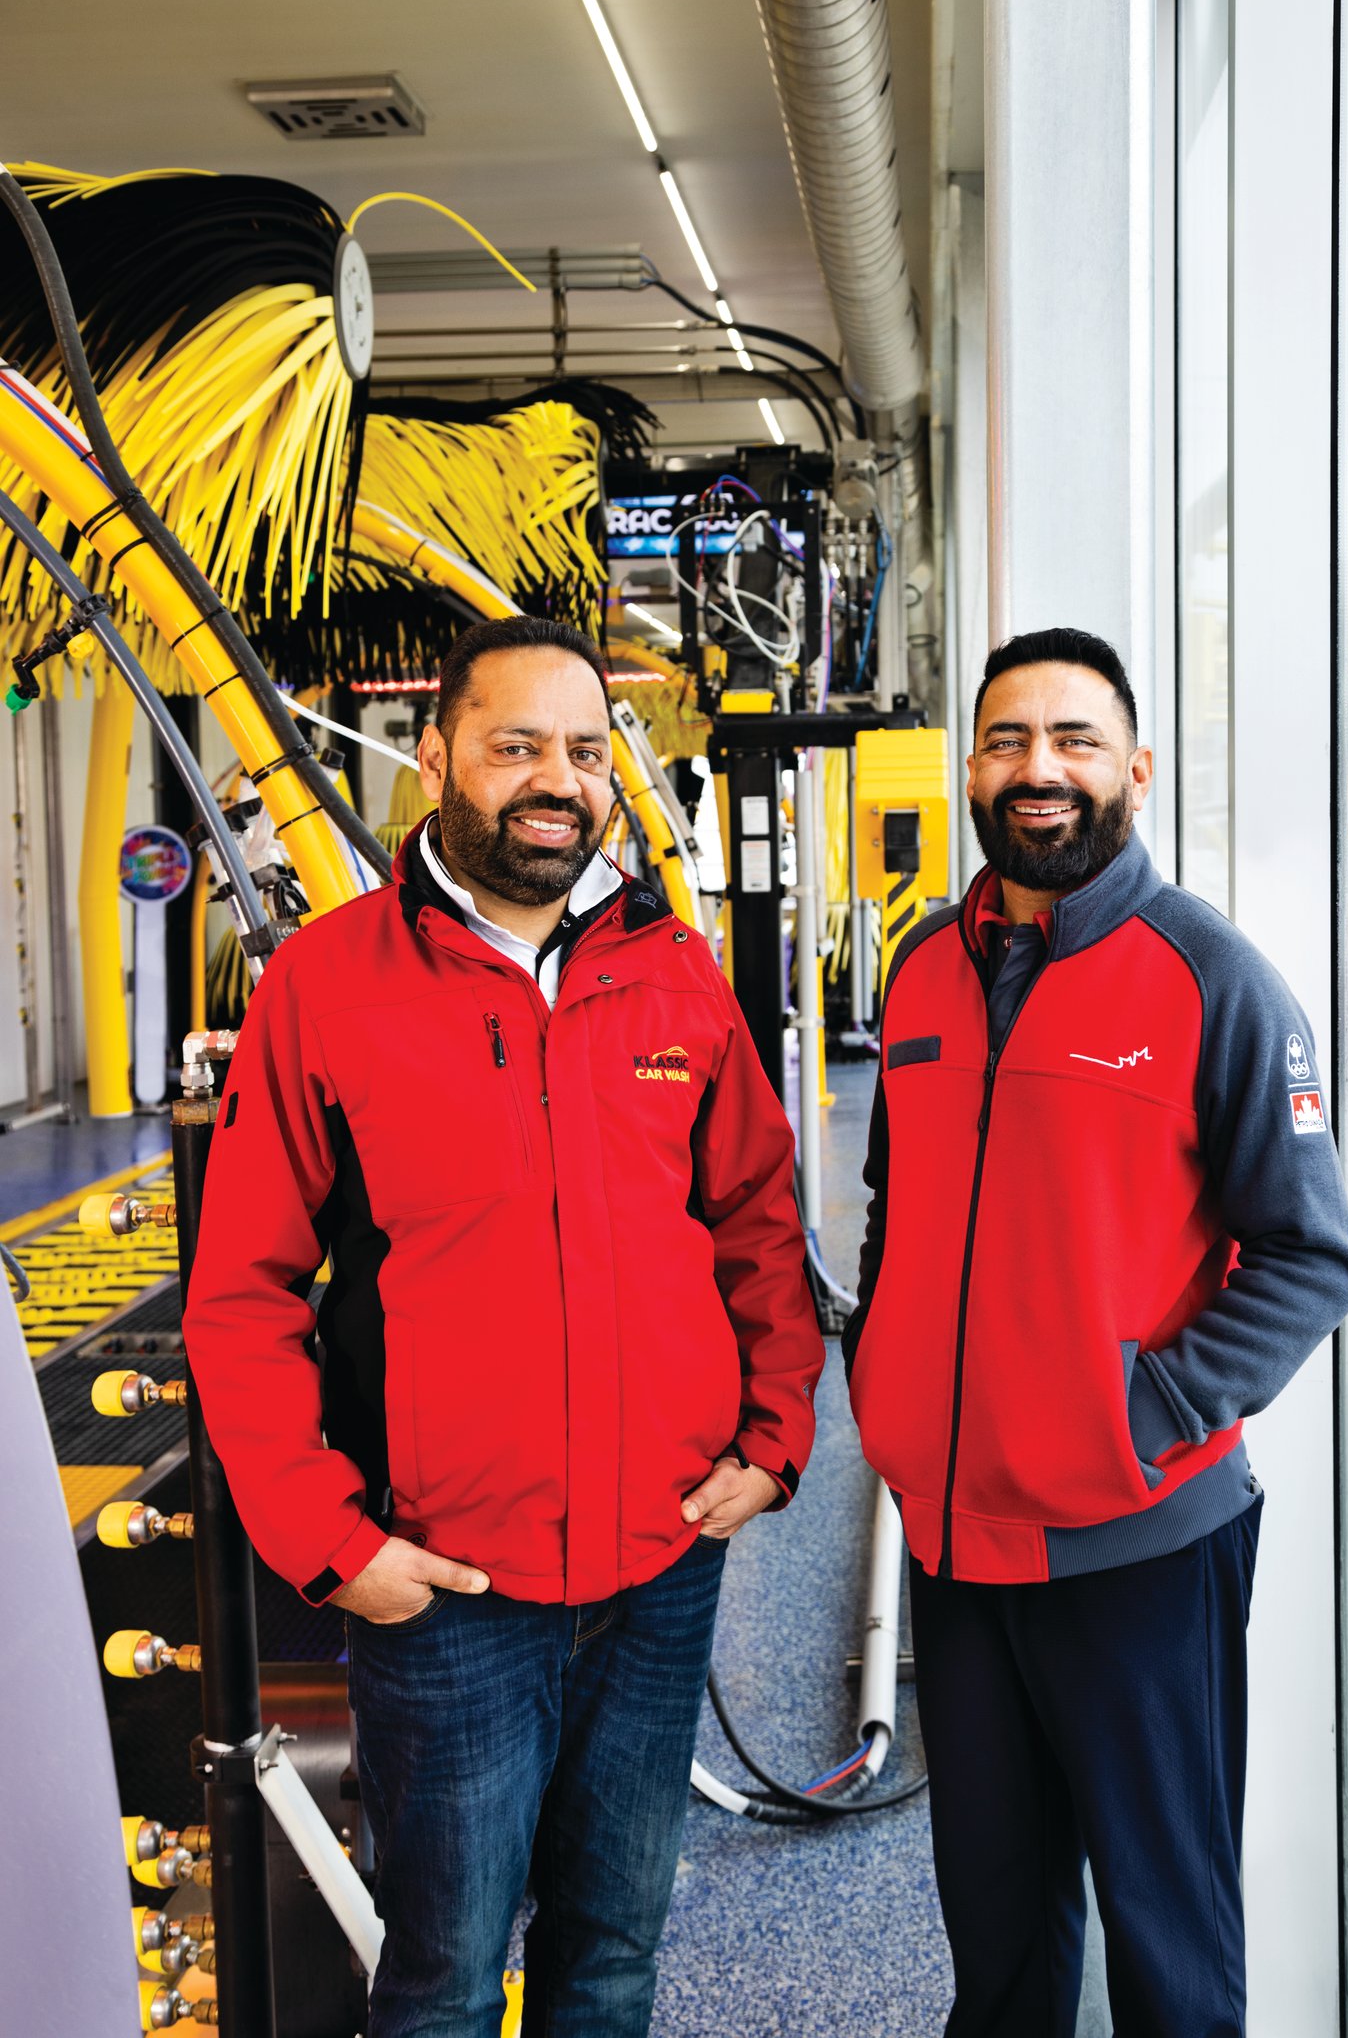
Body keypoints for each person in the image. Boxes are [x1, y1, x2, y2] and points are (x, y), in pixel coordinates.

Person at [183, 615, 823, 2037]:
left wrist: (774, 1442)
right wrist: (335, 1547)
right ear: (433, 762)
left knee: (612, 1954)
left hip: (659, 1566)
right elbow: (241, 1293)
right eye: (516, 745)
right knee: (445, 1979)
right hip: (448, 1588)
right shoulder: (327, 987)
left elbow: (759, 1232)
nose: (557, 779)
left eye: (585, 751)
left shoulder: (674, 975)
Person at [844, 626, 1348, 2037]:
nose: (1039, 769)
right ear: (971, 770)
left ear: (1133, 770)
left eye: (1073, 741)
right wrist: (883, 1387)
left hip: (1141, 1545)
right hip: (956, 1543)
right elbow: (899, 1214)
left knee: (1167, 1942)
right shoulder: (921, 977)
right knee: (999, 1943)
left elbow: (1311, 1257)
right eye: (1009, 740)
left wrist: (1141, 1412)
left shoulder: (1211, 978)